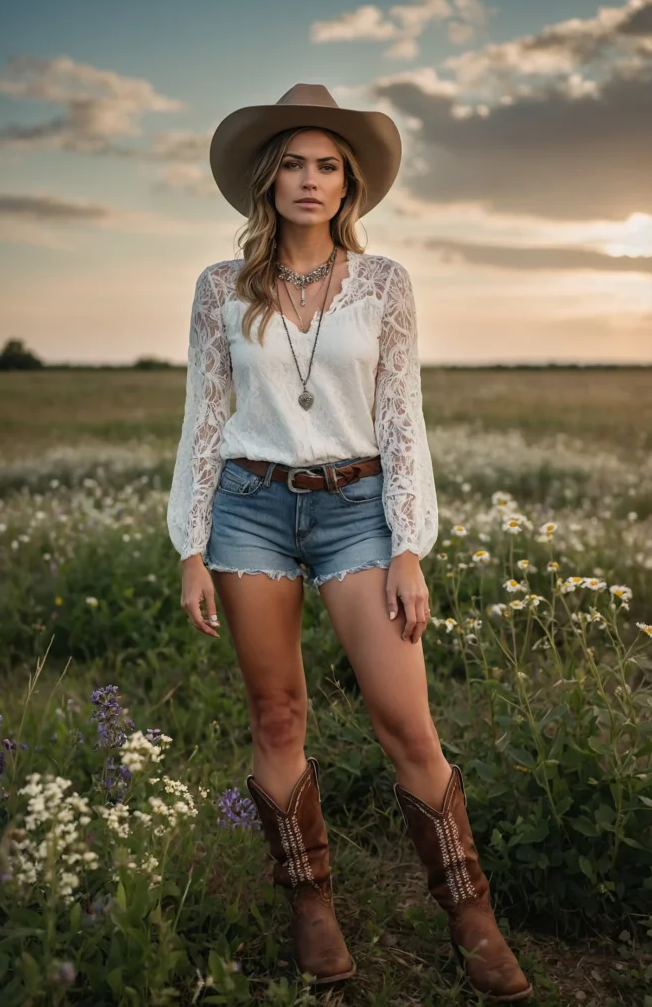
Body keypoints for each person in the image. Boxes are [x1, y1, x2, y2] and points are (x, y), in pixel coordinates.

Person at [167, 83, 532, 1002]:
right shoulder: (220, 287)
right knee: (278, 715)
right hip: (246, 508)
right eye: (292, 163)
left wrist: (408, 542)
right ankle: (311, 905)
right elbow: (204, 419)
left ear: (348, 185)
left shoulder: (382, 285)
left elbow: (400, 416)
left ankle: (471, 916)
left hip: (358, 507)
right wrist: (190, 544)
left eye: (326, 166)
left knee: (405, 721)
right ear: (267, 179)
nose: (309, 180)